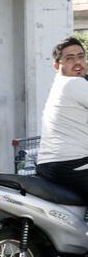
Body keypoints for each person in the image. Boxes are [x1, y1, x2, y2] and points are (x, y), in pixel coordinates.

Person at [36, 36, 88, 198]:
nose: (77, 62)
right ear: (56, 65)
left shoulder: (59, 85)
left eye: (80, 56)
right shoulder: (73, 83)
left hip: (51, 165)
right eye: (69, 59)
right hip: (71, 164)